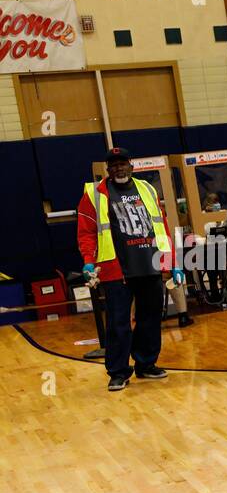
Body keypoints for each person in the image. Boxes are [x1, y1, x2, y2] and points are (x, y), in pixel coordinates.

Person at [76, 146, 178, 392]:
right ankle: (118, 372)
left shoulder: (147, 189)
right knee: (118, 324)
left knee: (151, 319)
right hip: (116, 270)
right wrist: (89, 260)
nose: (119, 168)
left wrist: (172, 263)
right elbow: (87, 232)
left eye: (123, 163)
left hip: (150, 265)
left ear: (132, 166)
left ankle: (146, 364)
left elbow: (161, 227)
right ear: (107, 169)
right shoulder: (95, 194)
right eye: (114, 165)